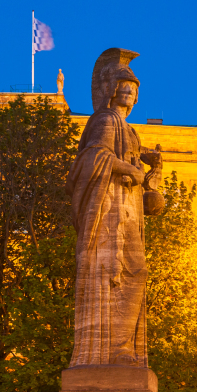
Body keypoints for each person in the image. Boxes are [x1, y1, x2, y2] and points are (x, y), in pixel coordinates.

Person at [65, 48, 162, 367]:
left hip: (128, 211)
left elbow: (139, 185)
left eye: (134, 87)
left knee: (136, 273)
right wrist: (129, 169)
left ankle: (122, 347)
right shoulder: (105, 121)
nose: (130, 91)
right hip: (109, 213)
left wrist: (151, 180)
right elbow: (91, 158)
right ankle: (113, 350)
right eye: (125, 85)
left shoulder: (130, 131)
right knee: (112, 273)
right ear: (110, 88)